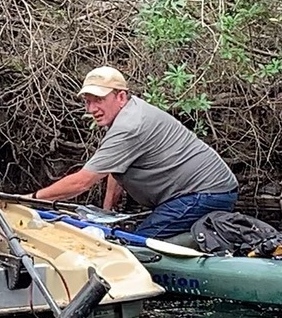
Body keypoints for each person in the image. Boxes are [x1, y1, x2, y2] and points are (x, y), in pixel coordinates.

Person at [32, 66, 238, 240]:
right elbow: (115, 166)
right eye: (87, 101)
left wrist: (31, 199)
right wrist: (107, 209)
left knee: (137, 245)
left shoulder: (129, 126)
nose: (92, 108)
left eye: (98, 100)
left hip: (204, 193)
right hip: (199, 191)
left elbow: (82, 182)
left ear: (120, 96)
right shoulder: (128, 112)